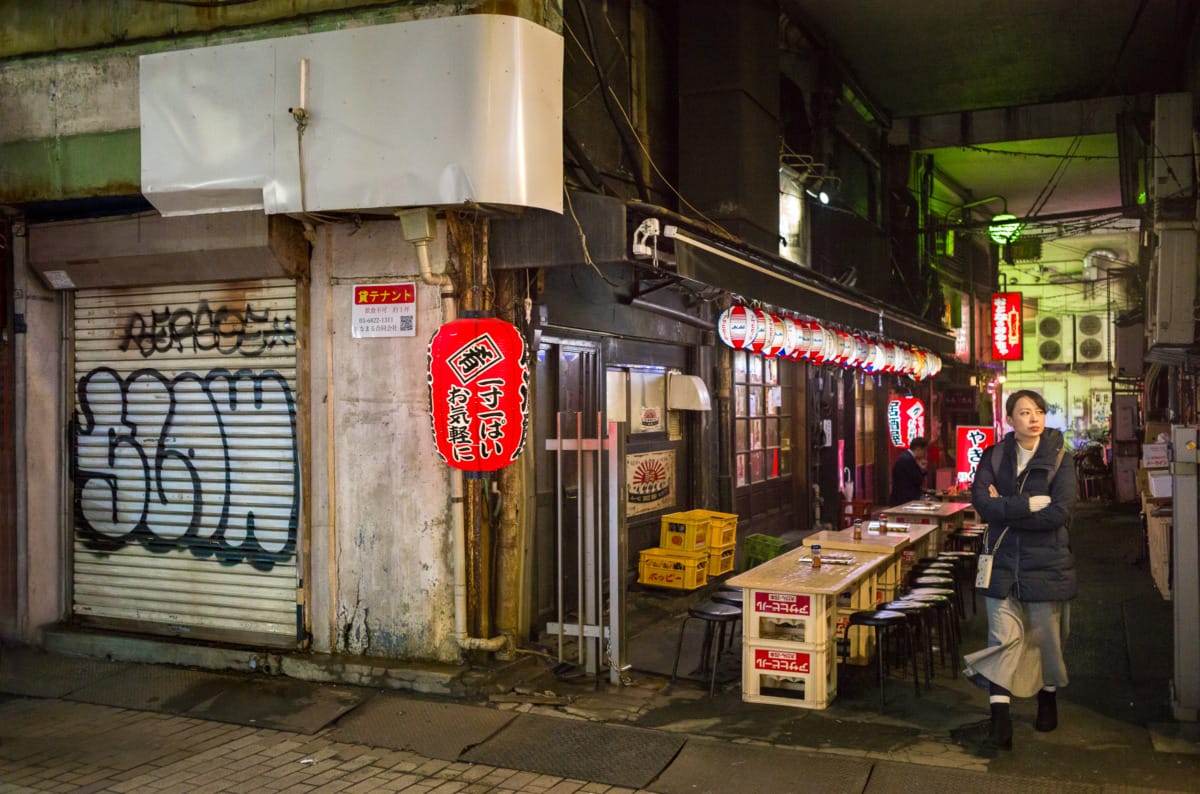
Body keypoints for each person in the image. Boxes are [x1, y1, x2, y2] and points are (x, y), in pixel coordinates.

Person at [964, 389, 1076, 753]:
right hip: (1001, 563)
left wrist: (1006, 510)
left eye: (1039, 411)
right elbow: (981, 503)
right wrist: (1026, 505)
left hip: (1046, 563)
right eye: (1025, 412)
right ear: (1009, 418)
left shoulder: (1061, 459)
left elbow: (1059, 513)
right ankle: (1000, 719)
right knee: (1003, 639)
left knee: (1047, 638)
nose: (1034, 418)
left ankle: (1048, 695)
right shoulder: (994, 456)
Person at [888, 436, 929, 505]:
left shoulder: (906, 457)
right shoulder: (908, 460)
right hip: (905, 500)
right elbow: (918, 480)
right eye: (924, 450)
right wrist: (922, 469)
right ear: (918, 449)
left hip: (903, 498)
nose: (925, 454)